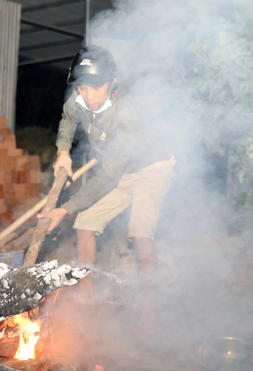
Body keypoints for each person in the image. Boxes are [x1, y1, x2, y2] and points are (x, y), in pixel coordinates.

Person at [37, 45, 176, 326]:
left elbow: (108, 177)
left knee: (140, 235)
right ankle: (85, 301)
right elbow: (67, 119)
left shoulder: (126, 116)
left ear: (112, 83)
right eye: (83, 87)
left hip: (151, 169)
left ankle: (149, 310)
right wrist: (63, 150)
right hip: (120, 171)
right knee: (85, 224)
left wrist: (64, 210)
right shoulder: (79, 99)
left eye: (95, 88)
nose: (88, 96)